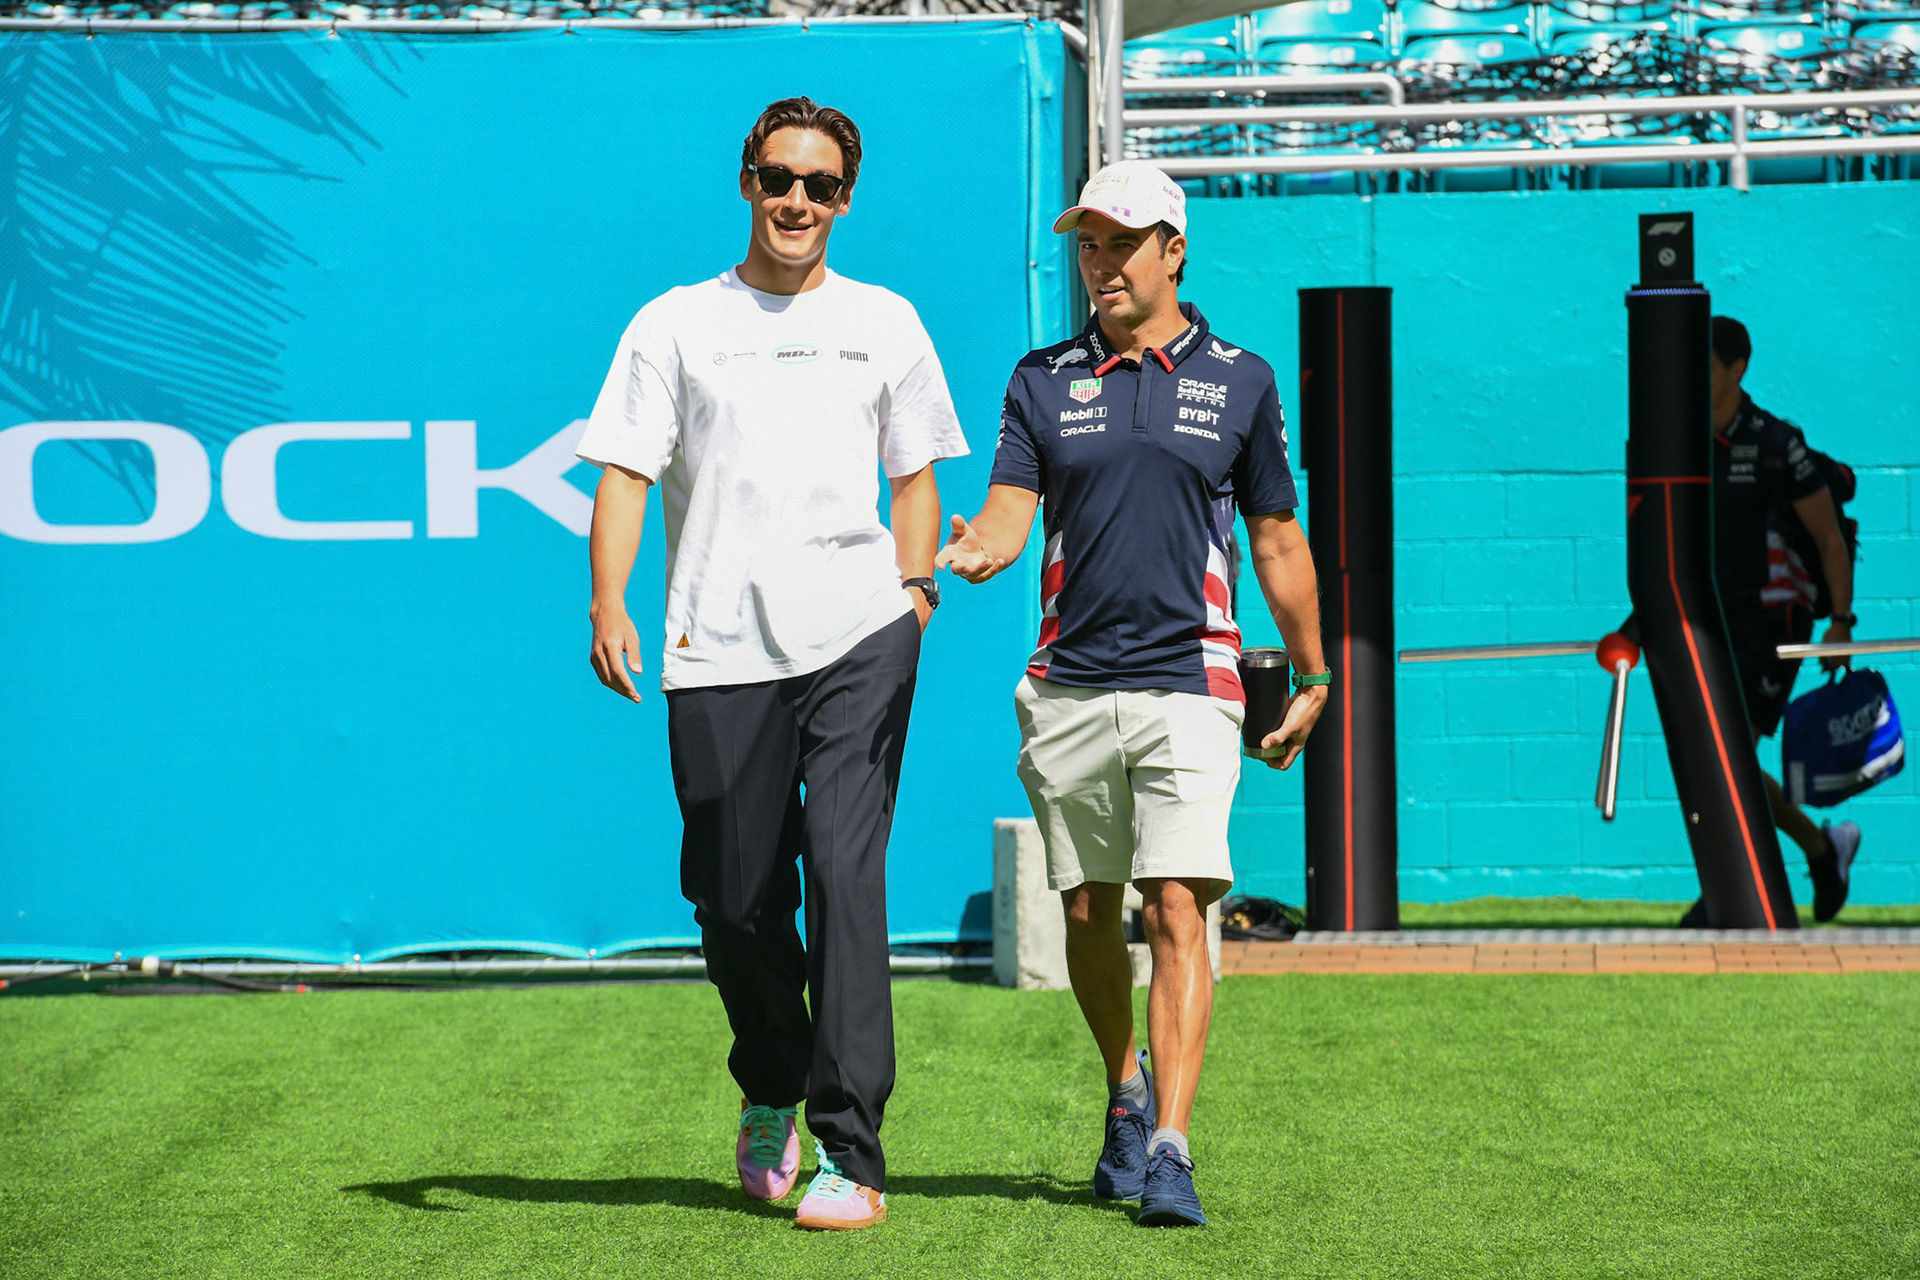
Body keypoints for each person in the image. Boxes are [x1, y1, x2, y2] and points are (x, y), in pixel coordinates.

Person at [575, 96, 967, 1231]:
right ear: (747, 180)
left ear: (847, 199)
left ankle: (853, 1149)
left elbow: (916, 475)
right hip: (718, 647)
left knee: (847, 878)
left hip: (861, 633)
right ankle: (770, 1081)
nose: (800, 201)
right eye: (781, 179)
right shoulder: (675, 322)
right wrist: (610, 599)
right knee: (734, 901)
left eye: (823, 185)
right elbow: (625, 475)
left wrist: (914, 590)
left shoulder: (885, 320)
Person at [936, 161, 1328, 1227]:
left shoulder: (1242, 379)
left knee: (1177, 906)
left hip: (1193, 683)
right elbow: (1010, 517)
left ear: (1175, 249)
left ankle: (1170, 1145)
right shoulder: (1039, 377)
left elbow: (1278, 538)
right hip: (1066, 686)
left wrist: (1317, 667)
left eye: (1121, 240)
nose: (1099, 261)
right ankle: (1123, 1086)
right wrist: (974, 549)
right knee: (1086, 909)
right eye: (1088, 242)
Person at [1682, 315, 1860, 924]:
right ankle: (1819, 847)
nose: (1692, 380)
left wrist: (1840, 623)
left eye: (1704, 368)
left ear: (1737, 369)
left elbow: (1830, 541)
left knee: (1726, 757)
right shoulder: (1679, 442)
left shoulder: (1778, 444)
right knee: (1718, 759)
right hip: (1714, 617)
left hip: (1775, 618)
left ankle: (1733, 891)